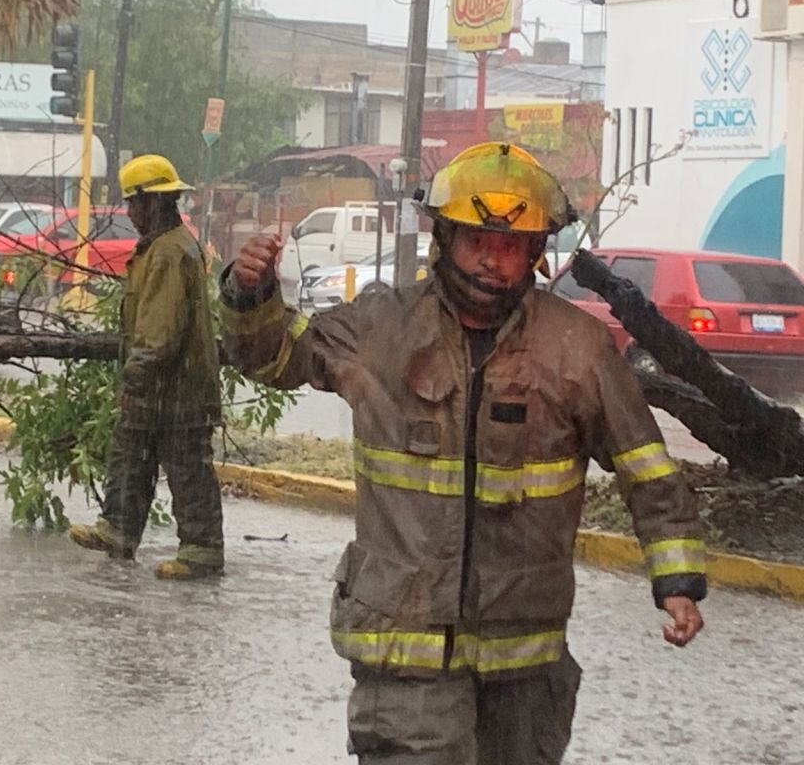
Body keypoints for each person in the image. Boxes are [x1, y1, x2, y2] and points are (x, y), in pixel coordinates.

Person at [220, 142, 707, 764]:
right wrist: (248, 295)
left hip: (523, 664)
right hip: (405, 655)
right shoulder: (380, 329)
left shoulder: (577, 349)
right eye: (476, 240)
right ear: (443, 237)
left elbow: (648, 471)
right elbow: (276, 356)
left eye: (510, 247)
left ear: (535, 252)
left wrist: (677, 580)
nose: (491, 261)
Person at [69, 154, 225, 580]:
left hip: (175, 387)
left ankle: (202, 551)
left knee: (187, 467)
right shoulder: (159, 248)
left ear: (152, 202)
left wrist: (136, 375)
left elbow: (159, 332)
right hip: (160, 385)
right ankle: (118, 529)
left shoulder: (169, 254)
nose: (129, 213)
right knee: (129, 454)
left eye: (133, 205)